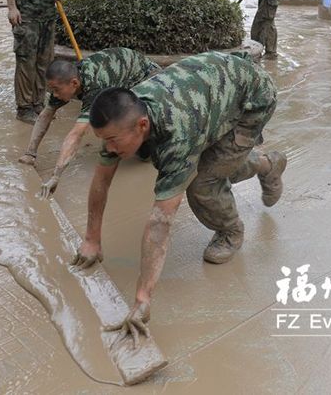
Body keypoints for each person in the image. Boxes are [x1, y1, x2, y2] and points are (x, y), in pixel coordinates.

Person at [72, 52, 287, 342]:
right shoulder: (120, 117)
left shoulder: (177, 132)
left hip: (251, 98)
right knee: (221, 166)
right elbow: (101, 180)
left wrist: (142, 299)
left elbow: (161, 221)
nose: (108, 148)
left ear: (142, 126)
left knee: (204, 182)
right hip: (214, 93)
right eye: (104, 141)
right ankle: (266, 164)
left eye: (112, 141)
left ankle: (231, 230)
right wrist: (92, 238)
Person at [19, 48, 160, 195]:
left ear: (74, 83)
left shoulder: (94, 85)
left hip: (149, 78)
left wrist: (56, 175)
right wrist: (30, 153)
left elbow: (76, 134)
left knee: (144, 152)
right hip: (121, 79)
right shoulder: (68, 79)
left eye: (56, 90)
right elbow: (46, 114)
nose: (54, 94)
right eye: (52, 90)